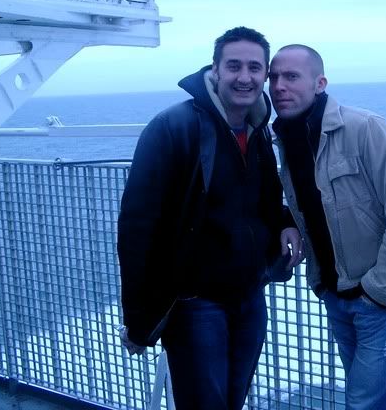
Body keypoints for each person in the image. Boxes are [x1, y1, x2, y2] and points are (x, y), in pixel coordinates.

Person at [116, 27, 302, 410]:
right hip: (195, 305)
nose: (244, 77)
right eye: (234, 66)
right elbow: (137, 228)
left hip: (249, 297)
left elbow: (263, 200)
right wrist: (138, 319)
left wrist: (287, 221)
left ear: (264, 74)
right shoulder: (173, 127)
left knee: (232, 401)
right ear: (215, 69)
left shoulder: (257, 130)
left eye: (255, 68)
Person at [269, 44, 386, 409]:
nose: (279, 86)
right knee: (364, 399)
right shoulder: (287, 138)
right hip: (337, 293)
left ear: (320, 83)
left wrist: (378, 290)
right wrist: (287, 221)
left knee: (365, 404)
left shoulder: (364, 128)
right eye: (274, 77)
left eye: (292, 76)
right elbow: (310, 201)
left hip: (385, 297)